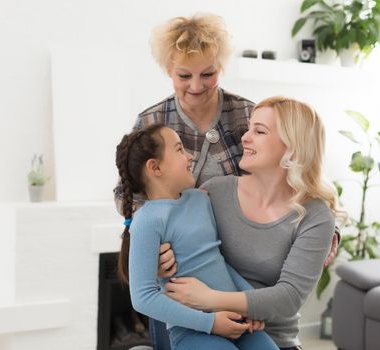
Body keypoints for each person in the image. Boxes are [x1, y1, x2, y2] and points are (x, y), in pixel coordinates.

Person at [112, 12, 339, 349]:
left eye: (208, 73)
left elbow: (298, 177)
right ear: (167, 71)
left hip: (240, 288)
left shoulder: (248, 115)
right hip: (183, 290)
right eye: (183, 75)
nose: (196, 86)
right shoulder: (153, 121)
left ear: (221, 66)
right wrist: (154, 246)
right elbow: (130, 189)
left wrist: (325, 233)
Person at [162, 96, 344, 349]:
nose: (245, 138)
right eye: (249, 128)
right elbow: (182, 249)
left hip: (274, 339)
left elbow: (289, 297)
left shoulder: (315, 216)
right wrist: (164, 260)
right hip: (205, 329)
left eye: (259, 131)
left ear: (292, 147)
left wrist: (211, 299)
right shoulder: (213, 193)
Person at [115, 123, 280, 350]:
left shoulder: (200, 200)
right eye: (179, 149)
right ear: (155, 168)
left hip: (236, 319)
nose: (189, 157)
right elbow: (143, 297)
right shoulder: (147, 221)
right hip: (192, 331)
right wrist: (210, 323)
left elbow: (217, 262)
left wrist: (250, 304)